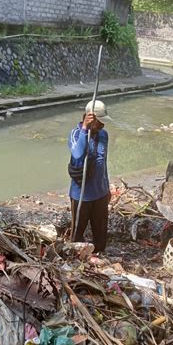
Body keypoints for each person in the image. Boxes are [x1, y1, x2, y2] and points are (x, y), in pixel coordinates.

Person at [68, 99, 111, 254]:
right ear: (90, 118)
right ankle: (76, 259)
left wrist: (107, 187)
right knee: (77, 235)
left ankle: (99, 257)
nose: (102, 125)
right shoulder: (75, 134)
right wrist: (85, 129)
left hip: (100, 193)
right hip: (81, 195)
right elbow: (78, 154)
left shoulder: (103, 135)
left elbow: (103, 163)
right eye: (99, 121)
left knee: (100, 237)